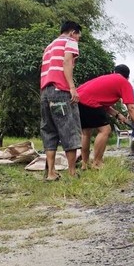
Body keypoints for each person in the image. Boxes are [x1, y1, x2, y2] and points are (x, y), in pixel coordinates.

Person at [76, 64, 134, 170]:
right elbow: (131, 107)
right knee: (105, 130)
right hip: (90, 102)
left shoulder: (106, 78)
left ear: (114, 72)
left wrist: (118, 115)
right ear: (127, 77)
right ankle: (97, 163)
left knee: (86, 133)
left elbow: (103, 104)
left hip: (78, 100)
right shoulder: (124, 82)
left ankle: (84, 165)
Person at [39, 20, 83, 181]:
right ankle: (72, 172)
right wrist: (72, 87)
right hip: (60, 92)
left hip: (45, 92)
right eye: (79, 36)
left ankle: (51, 172)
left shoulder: (49, 46)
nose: (78, 40)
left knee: (49, 130)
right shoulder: (70, 42)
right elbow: (67, 62)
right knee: (68, 128)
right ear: (73, 32)